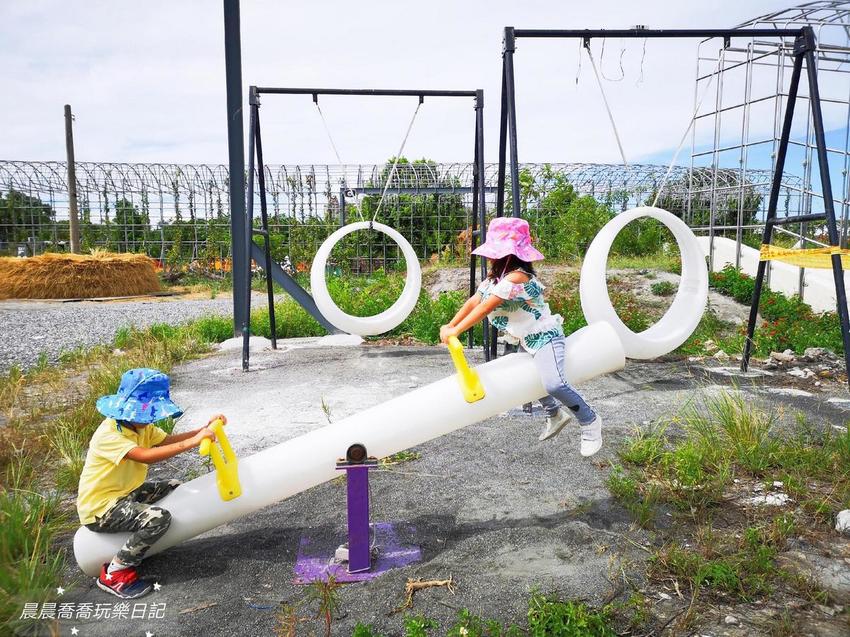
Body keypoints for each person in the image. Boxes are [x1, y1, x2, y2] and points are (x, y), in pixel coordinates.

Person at [439, 217, 602, 456]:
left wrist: (457, 331)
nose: (490, 257)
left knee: (554, 383)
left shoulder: (517, 277)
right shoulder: (493, 280)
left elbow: (485, 308)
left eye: (494, 252)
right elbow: (474, 301)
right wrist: (450, 324)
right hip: (526, 338)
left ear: (506, 255)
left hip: (545, 337)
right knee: (531, 380)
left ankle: (589, 420)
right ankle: (555, 415)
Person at [76, 367, 226, 599]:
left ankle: (145, 543)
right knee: (158, 518)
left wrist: (203, 430)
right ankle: (115, 572)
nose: (150, 419)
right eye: (146, 413)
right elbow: (145, 456)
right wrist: (193, 442)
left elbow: (166, 441)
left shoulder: (139, 425)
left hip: (126, 494)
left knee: (173, 486)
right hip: (101, 509)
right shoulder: (109, 435)